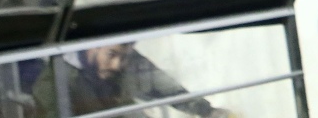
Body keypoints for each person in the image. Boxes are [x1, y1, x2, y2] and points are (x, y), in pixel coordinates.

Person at [30, 43, 236, 117]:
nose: (117, 65)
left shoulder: (123, 61)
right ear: (90, 48)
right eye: (111, 55)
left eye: (124, 57)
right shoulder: (54, 84)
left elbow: (161, 85)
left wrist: (206, 111)